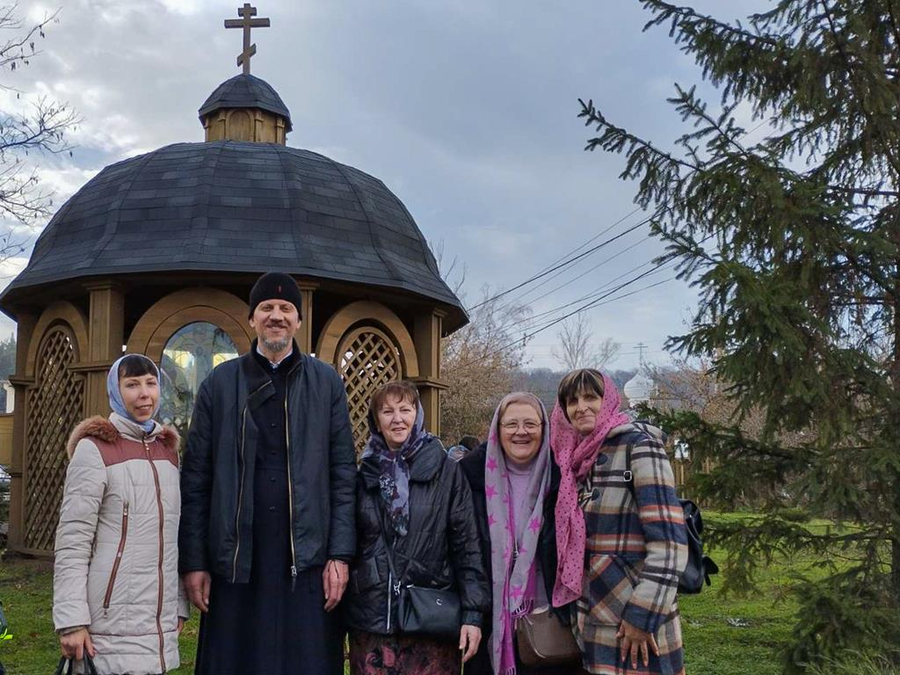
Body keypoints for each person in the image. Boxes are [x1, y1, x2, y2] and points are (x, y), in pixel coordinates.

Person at [179, 272, 357, 675]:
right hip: (236, 558)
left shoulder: (327, 384)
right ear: (252, 318)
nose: (276, 315)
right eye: (267, 308)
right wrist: (195, 561)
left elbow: (344, 475)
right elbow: (196, 479)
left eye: (286, 308)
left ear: (298, 320)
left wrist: (340, 555)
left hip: (306, 557)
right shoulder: (219, 384)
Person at [53, 354, 188, 674]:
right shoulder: (94, 449)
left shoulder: (168, 452)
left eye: (151, 383)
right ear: (115, 390)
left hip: (157, 622)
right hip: (107, 624)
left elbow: (172, 536)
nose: (144, 394)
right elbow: (73, 541)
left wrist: (178, 603)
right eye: (132, 385)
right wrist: (72, 621)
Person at [343, 380, 490, 675]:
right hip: (373, 621)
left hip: (429, 621)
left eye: (405, 409)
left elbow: (467, 547)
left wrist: (473, 614)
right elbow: (349, 544)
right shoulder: (363, 475)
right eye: (387, 412)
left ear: (418, 415)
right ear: (376, 421)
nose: (397, 419)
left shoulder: (446, 472)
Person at [551, 369, 688, 675]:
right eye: (572, 401)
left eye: (591, 397)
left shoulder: (638, 446)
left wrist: (643, 615)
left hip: (636, 622)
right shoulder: (573, 460)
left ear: (609, 400)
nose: (581, 407)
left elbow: (669, 543)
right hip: (593, 617)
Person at [460, 392, 582, 675]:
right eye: (511, 424)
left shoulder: (564, 477)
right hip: (487, 617)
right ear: (497, 428)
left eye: (530, 424)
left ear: (544, 428)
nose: (521, 432)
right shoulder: (468, 477)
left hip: (551, 619)